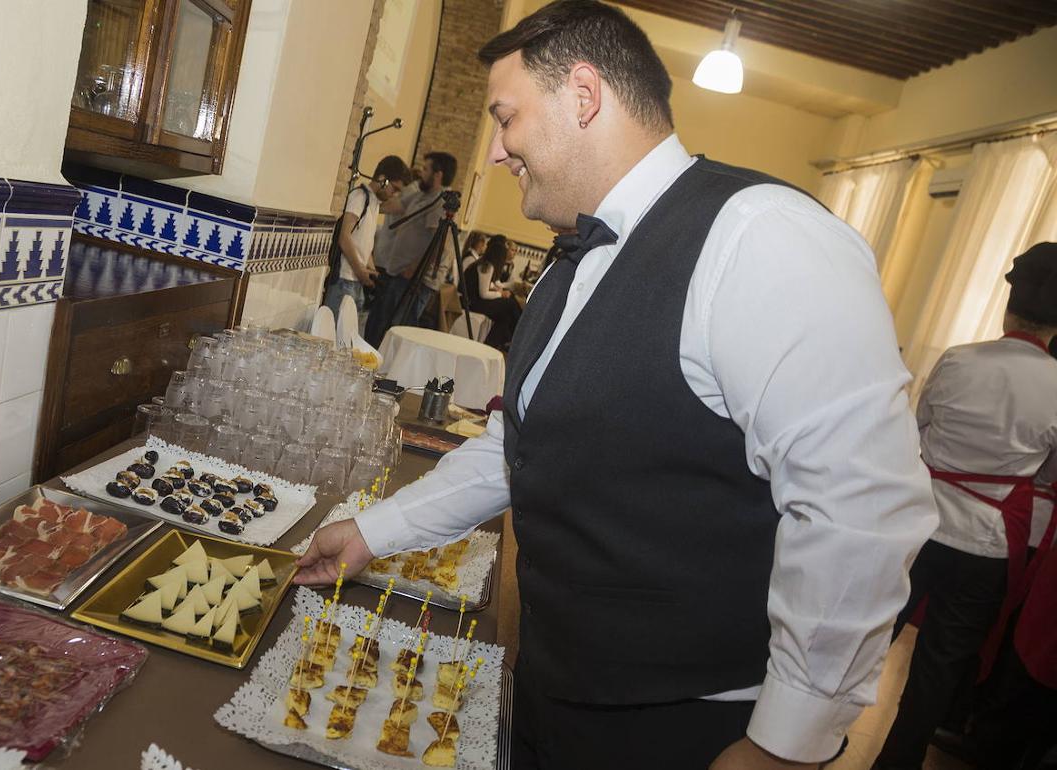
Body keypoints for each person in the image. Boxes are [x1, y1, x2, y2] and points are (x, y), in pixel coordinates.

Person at [297, 2, 936, 768]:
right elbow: (518, 448)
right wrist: (374, 533)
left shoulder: (762, 237)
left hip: (690, 726)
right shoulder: (570, 263)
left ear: (583, 95)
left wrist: (785, 746)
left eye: (506, 118)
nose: (497, 152)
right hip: (557, 686)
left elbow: (861, 509)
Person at [874, 242, 1057, 770]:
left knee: (867, 638)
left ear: (1008, 307)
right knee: (937, 671)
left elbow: (917, 434)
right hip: (987, 549)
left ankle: (814, 743)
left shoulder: (959, 360)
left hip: (918, 527)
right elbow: (1046, 477)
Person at [363, 151, 458, 346]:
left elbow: (438, 242)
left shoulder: (439, 203)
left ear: (438, 175)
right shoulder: (420, 195)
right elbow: (395, 206)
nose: (421, 173)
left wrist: (414, 268)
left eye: (426, 169)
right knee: (378, 325)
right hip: (397, 273)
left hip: (412, 280)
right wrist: (369, 198)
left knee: (396, 332)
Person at [323, 155, 409, 324]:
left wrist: (371, 270)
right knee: (332, 336)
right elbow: (344, 236)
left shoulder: (374, 204)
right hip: (344, 279)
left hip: (356, 281)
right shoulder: (359, 197)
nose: (394, 195)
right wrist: (360, 270)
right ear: (382, 180)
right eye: (394, 188)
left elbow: (364, 243)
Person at [464, 234, 524, 350]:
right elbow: (484, 293)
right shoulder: (487, 266)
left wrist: (498, 291)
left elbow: (485, 285)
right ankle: (519, 333)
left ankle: (492, 344)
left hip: (473, 300)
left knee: (505, 316)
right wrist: (500, 294)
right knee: (510, 304)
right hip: (472, 303)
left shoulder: (484, 264)